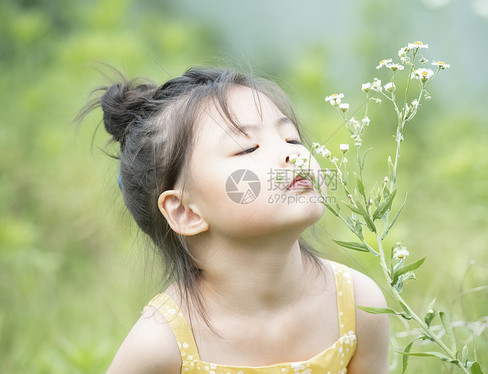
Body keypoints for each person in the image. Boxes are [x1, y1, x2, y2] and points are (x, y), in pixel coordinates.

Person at [80, 67, 389, 373]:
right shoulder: (161, 345)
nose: (291, 155)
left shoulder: (358, 303)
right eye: (247, 148)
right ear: (185, 212)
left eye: (291, 139)